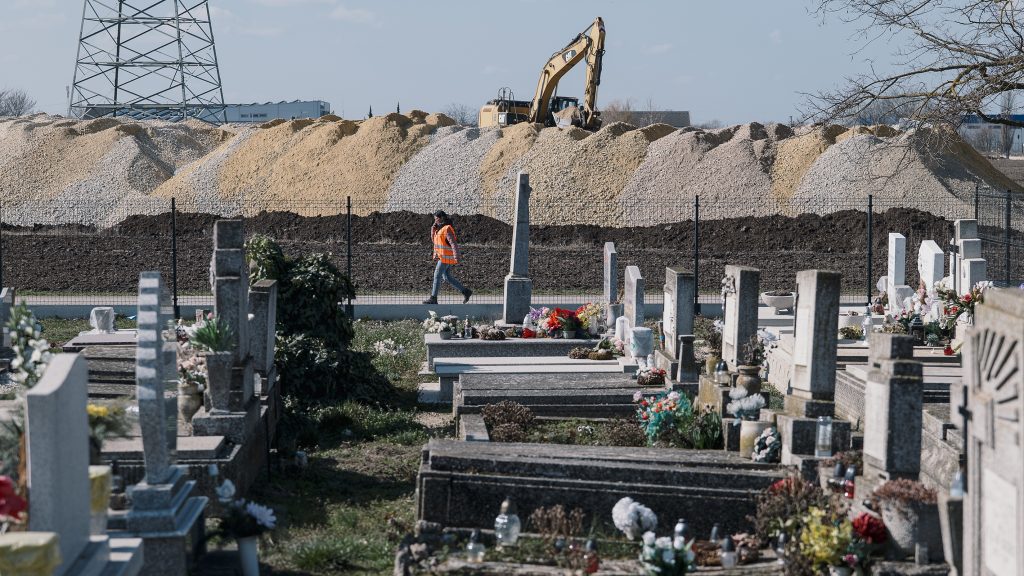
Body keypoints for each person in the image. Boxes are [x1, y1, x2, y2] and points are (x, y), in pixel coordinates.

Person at [424, 210, 472, 304]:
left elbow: (453, 243)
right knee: (447, 277)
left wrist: (456, 256)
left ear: (441, 218)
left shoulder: (447, 228)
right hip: (444, 256)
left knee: (437, 276)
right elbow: (435, 241)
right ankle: (466, 291)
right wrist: (433, 230)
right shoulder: (440, 228)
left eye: (436, 218)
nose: (435, 221)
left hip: (445, 257)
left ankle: (433, 298)